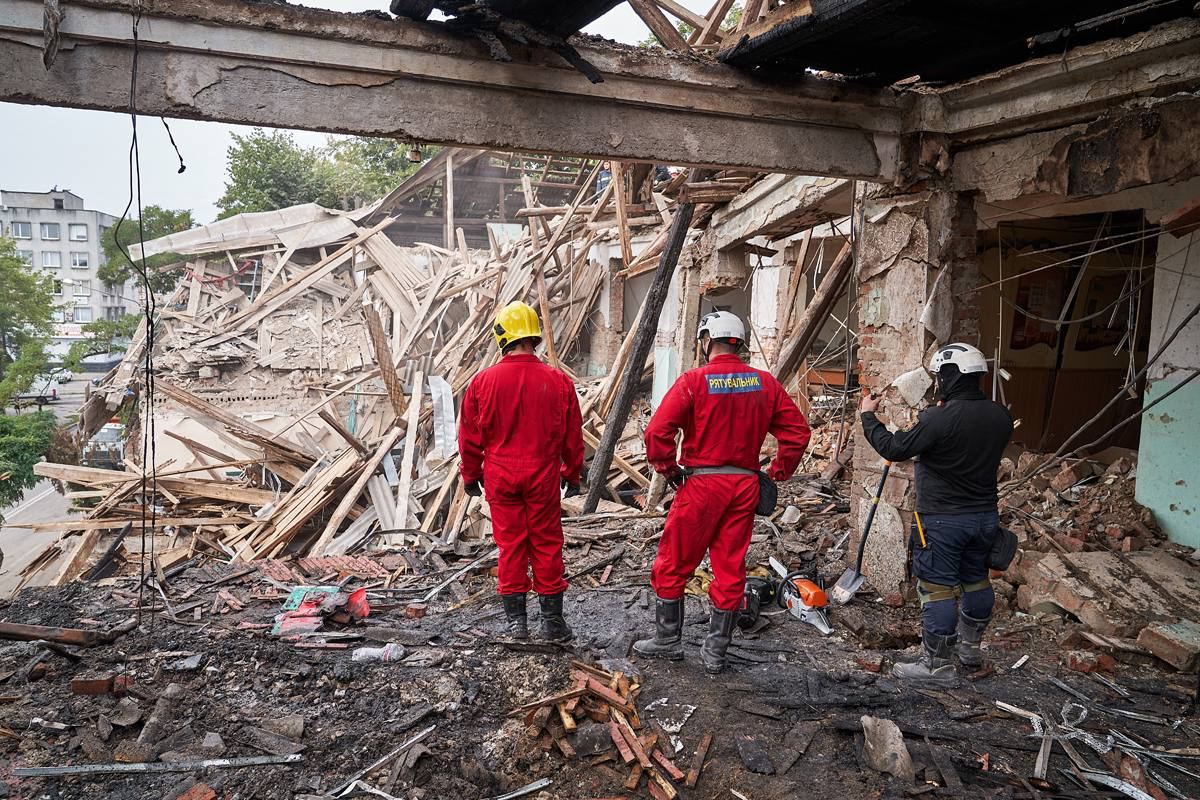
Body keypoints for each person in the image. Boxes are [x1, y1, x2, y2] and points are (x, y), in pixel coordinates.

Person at [633, 312, 811, 673]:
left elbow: (657, 432)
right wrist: (777, 471)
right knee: (730, 567)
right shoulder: (764, 383)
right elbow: (798, 432)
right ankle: (715, 652)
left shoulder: (694, 381)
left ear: (706, 341)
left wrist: (668, 469)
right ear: (739, 343)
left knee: (673, 562)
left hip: (702, 485)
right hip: (744, 486)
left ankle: (667, 641)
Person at [859, 343, 1014, 687]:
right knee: (976, 580)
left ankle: (936, 666)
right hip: (984, 518)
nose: (938, 383)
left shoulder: (939, 419)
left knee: (937, 589)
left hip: (943, 521)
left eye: (940, 376)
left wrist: (869, 417)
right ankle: (970, 651)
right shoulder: (1000, 416)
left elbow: (894, 447)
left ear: (950, 376)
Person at [458, 301, 584, 641]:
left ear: (502, 336)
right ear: (534, 336)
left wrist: (471, 475)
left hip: (501, 477)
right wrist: (572, 473)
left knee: (511, 546)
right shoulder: (558, 381)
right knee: (546, 544)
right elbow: (573, 435)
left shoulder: (482, 382)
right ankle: (552, 624)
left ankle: (518, 624)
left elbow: (469, 437)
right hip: (542, 477)